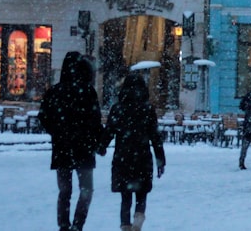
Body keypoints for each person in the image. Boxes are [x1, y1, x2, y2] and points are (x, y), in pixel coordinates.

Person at [39, 52, 105, 231]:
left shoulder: (55, 91)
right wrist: (98, 141)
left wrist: (57, 132)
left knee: (64, 191)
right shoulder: (87, 91)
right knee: (86, 190)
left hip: (62, 148)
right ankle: (77, 224)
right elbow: (95, 120)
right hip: (84, 147)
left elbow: (43, 117)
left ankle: (64, 225)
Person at [102, 73, 166, 231]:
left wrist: (101, 146)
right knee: (142, 193)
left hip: (123, 157)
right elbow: (155, 137)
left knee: (125, 195)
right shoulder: (147, 109)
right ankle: (138, 220)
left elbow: (109, 131)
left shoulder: (118, 108)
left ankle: (125, 225)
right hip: (142, 157)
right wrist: (160, 159)